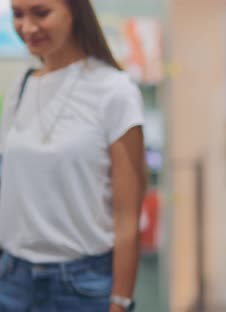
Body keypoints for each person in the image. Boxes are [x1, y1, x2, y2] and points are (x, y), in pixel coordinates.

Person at [0, 0, 146, 311]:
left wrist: (120, 301)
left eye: (41, 13)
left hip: (82, 285)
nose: (27, 27)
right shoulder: (22, 86)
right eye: (18, 14)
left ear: (75, 10)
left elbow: (127, 217)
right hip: (12, 278)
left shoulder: (114, 90)